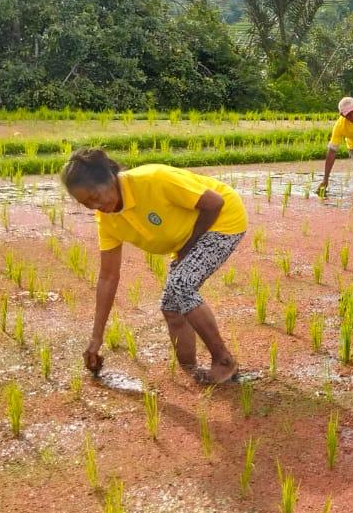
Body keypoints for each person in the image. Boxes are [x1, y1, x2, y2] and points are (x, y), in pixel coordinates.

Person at [61, 148, 247, 384]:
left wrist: (187, 247)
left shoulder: (153, 179)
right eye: (85, 203)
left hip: (224, 220)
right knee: (171, 306)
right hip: (188, 235)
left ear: (110, 178)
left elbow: (214, 202)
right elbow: (108, 277)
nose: (94, 206)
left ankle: (224, 361)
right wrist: (96, 339)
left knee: (181, 284)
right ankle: (191, 370)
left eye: (95, 196)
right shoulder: (107, 220)